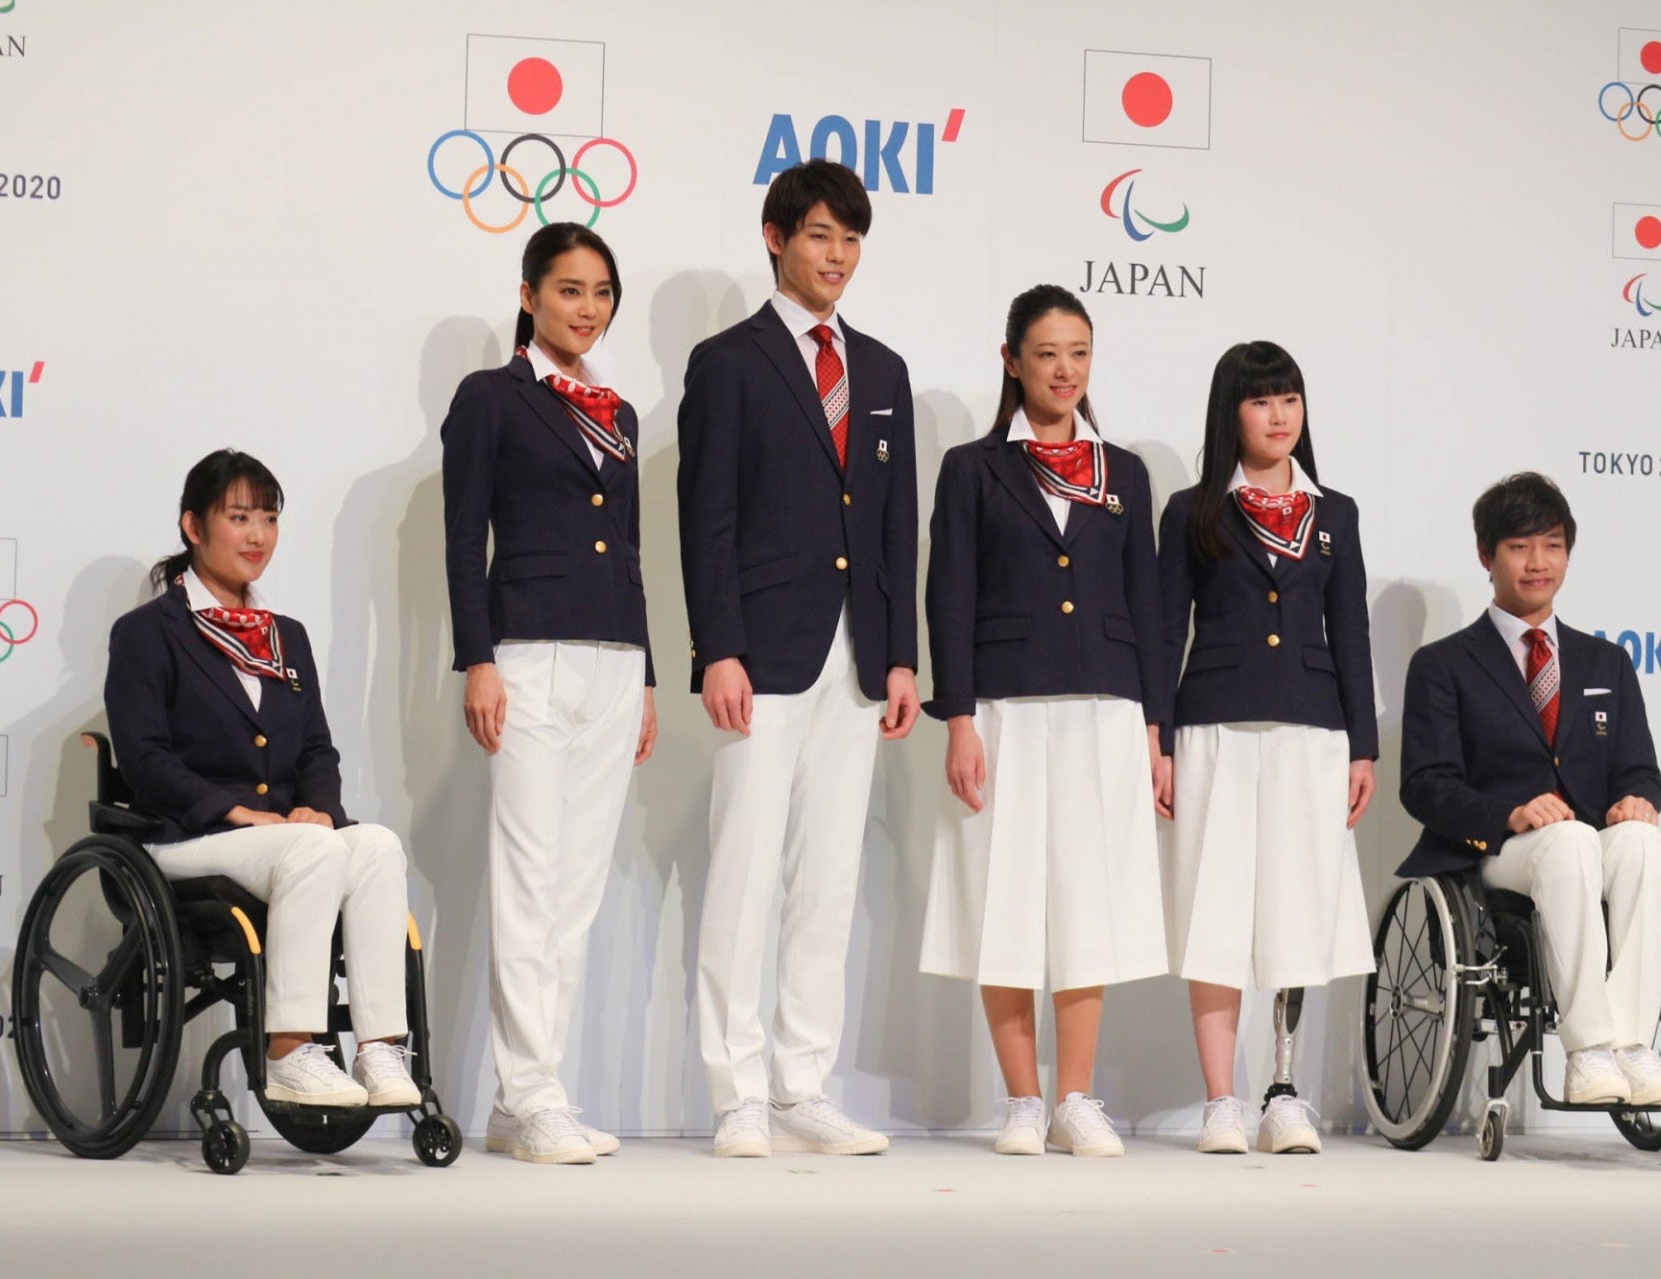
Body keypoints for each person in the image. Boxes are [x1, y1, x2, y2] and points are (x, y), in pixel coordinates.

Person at [677, 158, 920, 1157]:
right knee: (742, 872)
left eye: (852, 239)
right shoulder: (728, 362)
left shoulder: (887, 370)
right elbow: (708, 519)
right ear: (776, 237)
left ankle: (801, 1084)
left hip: (857, 659)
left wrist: (901, 655)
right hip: (764, 652)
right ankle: (735, 1090)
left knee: (828, 874)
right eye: (821, 235)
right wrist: (716, 648)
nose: (838, 256)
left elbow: (897, 526)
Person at [919, 285, 1168, 1157]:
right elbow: (946, 596)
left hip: (1107, 703)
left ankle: (1075, 1097)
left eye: (1079, 353)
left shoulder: (1124, 472)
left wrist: (1154, 729)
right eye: (1048, 353)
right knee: (1005, 897)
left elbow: (1148, 603)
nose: (1064, 370)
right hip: (1004, 704)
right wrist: (957, 717)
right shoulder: (972, 468)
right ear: (1012, 360)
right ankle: (1022, 1099)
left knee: (1086, 901)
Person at [105, 449, 419, 1110]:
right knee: (311, 849)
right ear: (193, 526)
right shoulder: (147, 633)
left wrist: (319, 808)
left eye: (269, 518)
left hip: (281, 837)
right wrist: (235, 812)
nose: (257, 535)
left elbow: (317, 749)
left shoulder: (286, 636)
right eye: (239, 516)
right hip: (184, 835)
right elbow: (143, 758)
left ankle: (380, 1046)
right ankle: (290, 1051)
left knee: (378, 844)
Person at [441, 222, 657, 1165]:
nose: (588, 308)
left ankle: (530, 1096)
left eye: (602, 291)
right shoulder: (491, 398)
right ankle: (531, 1097)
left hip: (613, 656)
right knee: (528, 881)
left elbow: (637, 548)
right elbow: (462, 539)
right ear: (529, 295)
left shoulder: (620, 409)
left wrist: (646, 671)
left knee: (574, 889)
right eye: (570, 289)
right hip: (526, 651)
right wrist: (477, 657)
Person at [1397, 472, 1661, 1107]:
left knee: (1639, 841)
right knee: (1568, 841)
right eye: (1520, 547)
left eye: (1552, 545)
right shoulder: (1444, 665)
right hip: (1500, 851)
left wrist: (1637, 798)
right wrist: (1511, 811)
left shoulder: (1607, 662)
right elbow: (1424, 786)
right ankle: (1587, 1052)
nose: (1538, 563)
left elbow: (1640, 768)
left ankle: (1631, 1045)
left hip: (1586, 845)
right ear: (1486, 555)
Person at [1155, 341, 1376, 1156]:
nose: (1279, 415)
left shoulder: (1337, 513)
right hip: (1212, 723)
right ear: (1231, 413)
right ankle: (1222, 1098)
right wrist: (1160, 737)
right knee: (1213, 912)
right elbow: (1161, 629)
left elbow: (1349, 632)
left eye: (1290, 398)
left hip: (1312, 731)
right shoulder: (1193, 510)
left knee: (1296, 908)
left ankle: (1282, 1091)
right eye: (1261, 401)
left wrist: (1363, 745)